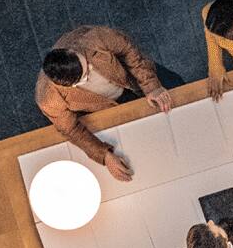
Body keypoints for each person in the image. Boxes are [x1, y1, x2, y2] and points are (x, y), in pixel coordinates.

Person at [36, 26, 182, 182]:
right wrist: (104, 155)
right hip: (105, 106)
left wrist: (152, 86)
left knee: (179, 94)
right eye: (84, 78)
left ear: (72, 52)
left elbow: (129, 51)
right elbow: (71, 129)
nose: (89, 73)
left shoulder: (96, 37)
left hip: (132, 78)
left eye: (86, 66)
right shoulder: (48, 98)